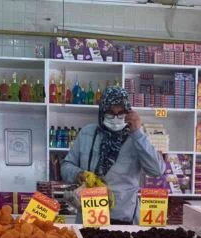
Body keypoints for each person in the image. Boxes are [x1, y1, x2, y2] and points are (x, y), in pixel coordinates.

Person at [61, 86, 164, 224]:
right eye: (110, 113)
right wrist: (78, 174)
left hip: (124, 218)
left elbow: (157, 170)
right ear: (102, 111)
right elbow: (66, 165)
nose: (115, 118)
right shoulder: (87, 133)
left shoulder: (137, 138)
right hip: (89, 216)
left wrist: (138, 134)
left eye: (121, 113)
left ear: (129, 112)